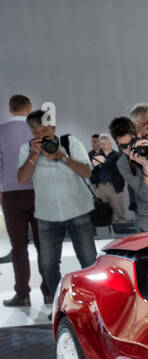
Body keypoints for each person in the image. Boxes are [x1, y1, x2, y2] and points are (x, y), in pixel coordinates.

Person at [15, 110, 96, 306]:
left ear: (54, 127)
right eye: (36, 132)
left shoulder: (70, 143)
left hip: (78, 211)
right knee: (48, 266)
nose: (41, 135)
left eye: (45, 130)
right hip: (47, 216)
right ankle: (62, 304)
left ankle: (93, 302)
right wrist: (34, 156)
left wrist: (62, 157)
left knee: (89, 262)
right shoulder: (27, 150)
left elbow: (87, 172)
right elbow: (22, 180)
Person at [0, 94, 42, 307]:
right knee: (45, 244)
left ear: (10, 109)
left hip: (11, 193)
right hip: (39, 192)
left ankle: (23, 294)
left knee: (18, 247)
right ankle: (50, 292)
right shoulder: (40, 130)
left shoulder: (1, 130)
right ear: (29, 107)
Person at [88, 132, 130, 227]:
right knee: (102, 212)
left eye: (105, 143)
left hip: (114, 187)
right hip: (101, 187)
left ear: (111, 143)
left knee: (119, 212)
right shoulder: (97, 155)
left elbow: (119, 169)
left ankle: (121, 234)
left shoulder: (118, 155)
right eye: (101, 144)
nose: (103, 146)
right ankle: (106, 235)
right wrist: (93, 167)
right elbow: (92, 174)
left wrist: (105, 161)